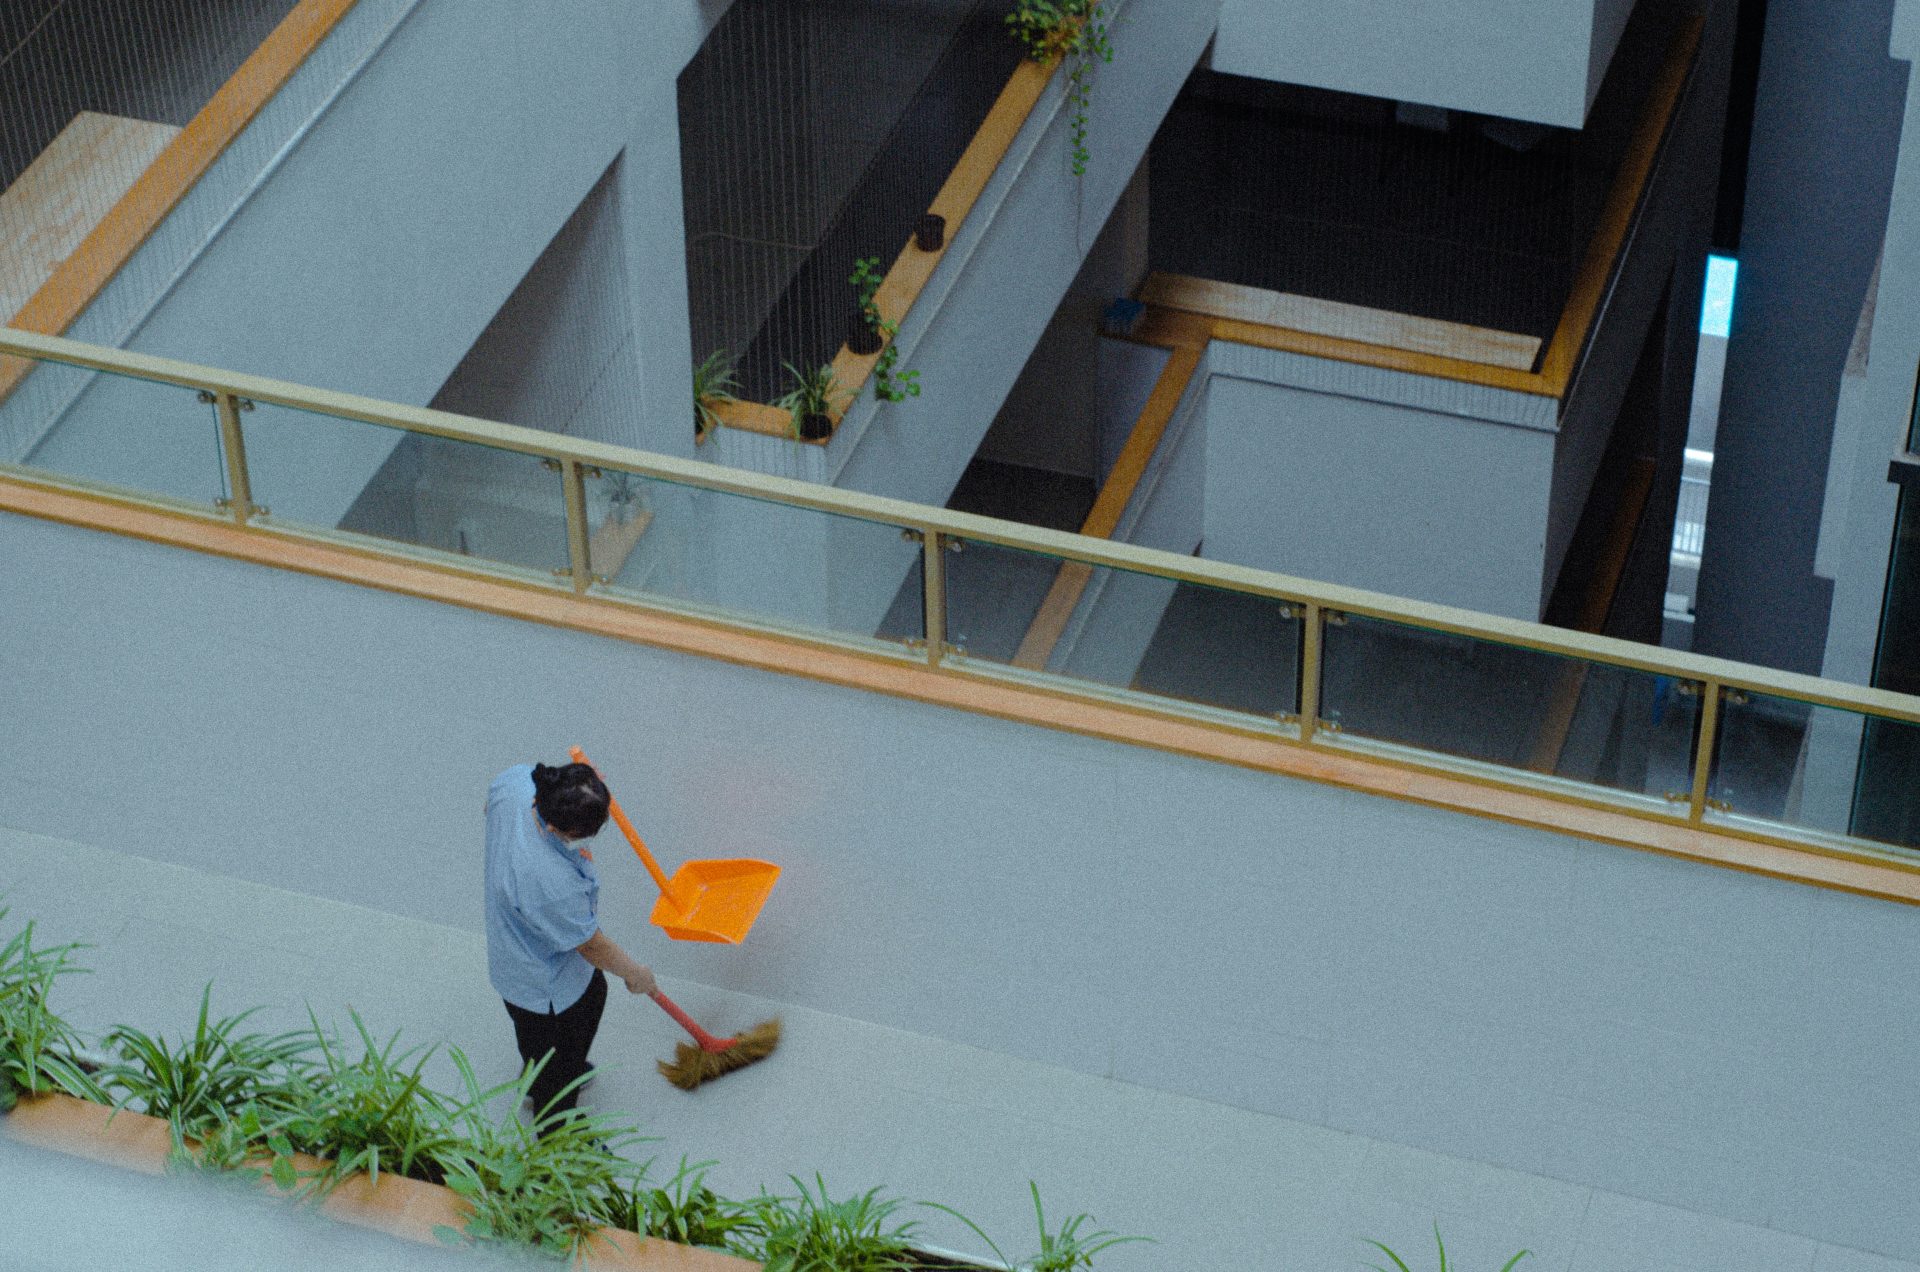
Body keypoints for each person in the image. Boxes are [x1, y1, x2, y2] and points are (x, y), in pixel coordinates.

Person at [483, 760, 656, 1116]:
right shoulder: (549, 880)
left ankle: (540, 1078)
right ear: (568, 830)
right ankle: (554, 1126)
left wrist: (584, 786)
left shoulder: (517, 784)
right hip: (544, 985)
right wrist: (635, 973)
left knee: (536, 1041)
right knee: (564, 1045)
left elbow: (489, 806)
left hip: (511, 960)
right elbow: (590, 945)